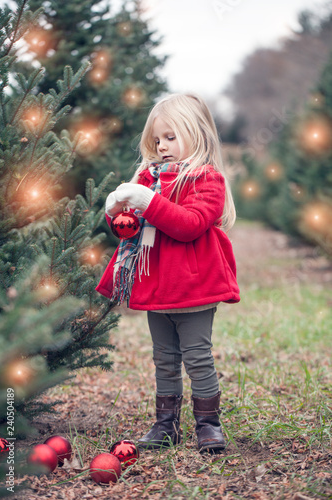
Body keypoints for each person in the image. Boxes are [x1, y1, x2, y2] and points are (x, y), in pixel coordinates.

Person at [96, 93, 240, 453]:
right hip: (157, 286)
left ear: (197, 134)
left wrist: (146, 201)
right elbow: (131, 229)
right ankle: (165, 424)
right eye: (157, 140)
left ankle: (208, 424)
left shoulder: (207, 180)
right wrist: (116, 211)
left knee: (197, 355)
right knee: (164, 357)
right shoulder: (148, 178)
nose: (162, 146)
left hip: (193, 287)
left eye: (171, 137)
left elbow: (188, 225)